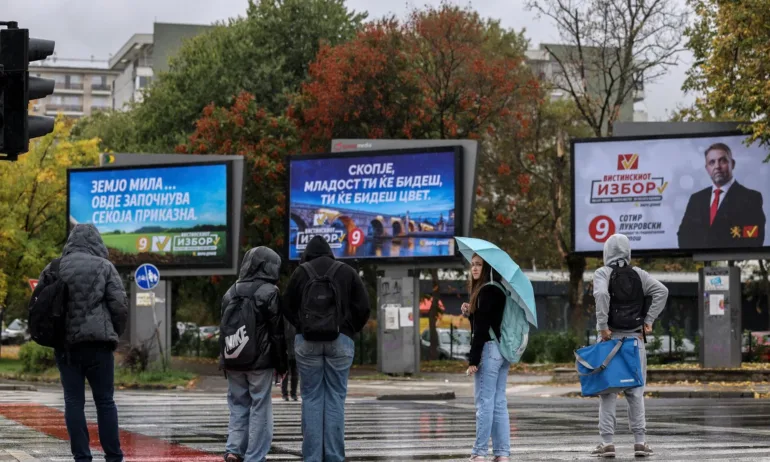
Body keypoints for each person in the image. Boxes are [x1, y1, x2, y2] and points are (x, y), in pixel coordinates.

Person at [34, 224, 128, 462]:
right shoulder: (105, 267)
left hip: (67, 348)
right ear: (97, 242)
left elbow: (40, 306)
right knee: (105, 401)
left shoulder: (55, 267)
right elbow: (119, 306)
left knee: (73, 401)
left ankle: (82, 457)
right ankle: (114, 456)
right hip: (99, 346)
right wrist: (114, 333)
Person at [283, 236, 370, 462]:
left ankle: (311, 457)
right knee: (335, 398)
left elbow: (287, 306)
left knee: (311, 398)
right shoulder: (347, 271)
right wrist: (348, 329)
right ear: (330, 252)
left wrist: (302, 326)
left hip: (307, 342)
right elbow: (363, 307)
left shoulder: (301, 272)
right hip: (340, 341)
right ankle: (334, 457)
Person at [591, 234, 668, 458]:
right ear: (628, 252)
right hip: (635, 341)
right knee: (635, 392)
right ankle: (640, 443)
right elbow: (662, 291)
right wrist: (648, 321)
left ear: (606, 252)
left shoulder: (602, 273)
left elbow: (602, 293)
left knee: (608, 393)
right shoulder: (639, 274)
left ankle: (607, 444)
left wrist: (603, 325)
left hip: (610, 340)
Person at [220, 247, 287, 462]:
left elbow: (224, 328)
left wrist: (224, 359)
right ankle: (255, 456)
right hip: (260, 361)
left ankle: (233, 450)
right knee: (260, 406)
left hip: (233, 359)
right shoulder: (269, 292)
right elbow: (277, 333)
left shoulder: (230, 291)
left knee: (238, 405)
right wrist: (282, 364)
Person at [462, 254, 511, 462]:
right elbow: (491, 320)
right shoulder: (500, 289)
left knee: (484, 402)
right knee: (499, 402)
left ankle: (479, 452)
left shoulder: (485, 291)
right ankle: (502, 454)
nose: (474, 268)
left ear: (487, 267)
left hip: (489, 351)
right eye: (472, 265)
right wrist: (470, 313)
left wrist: (473, 360)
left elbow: (481, 329)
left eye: (479, 264)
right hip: (502, 350)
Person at [678, 142, 765, 249]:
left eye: (723, 160)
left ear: (732, 164)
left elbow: (754, 237)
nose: (717, 166)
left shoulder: (751, 198)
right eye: (712, 162)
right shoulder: (696, 199)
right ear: (707, 169)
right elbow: (683, 235)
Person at [282, 321, 299, 401]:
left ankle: (293, 393)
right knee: (286, 374)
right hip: (286, 350)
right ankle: (285, 394)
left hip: (295, 350)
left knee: (295, 374)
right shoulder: (284, 320)